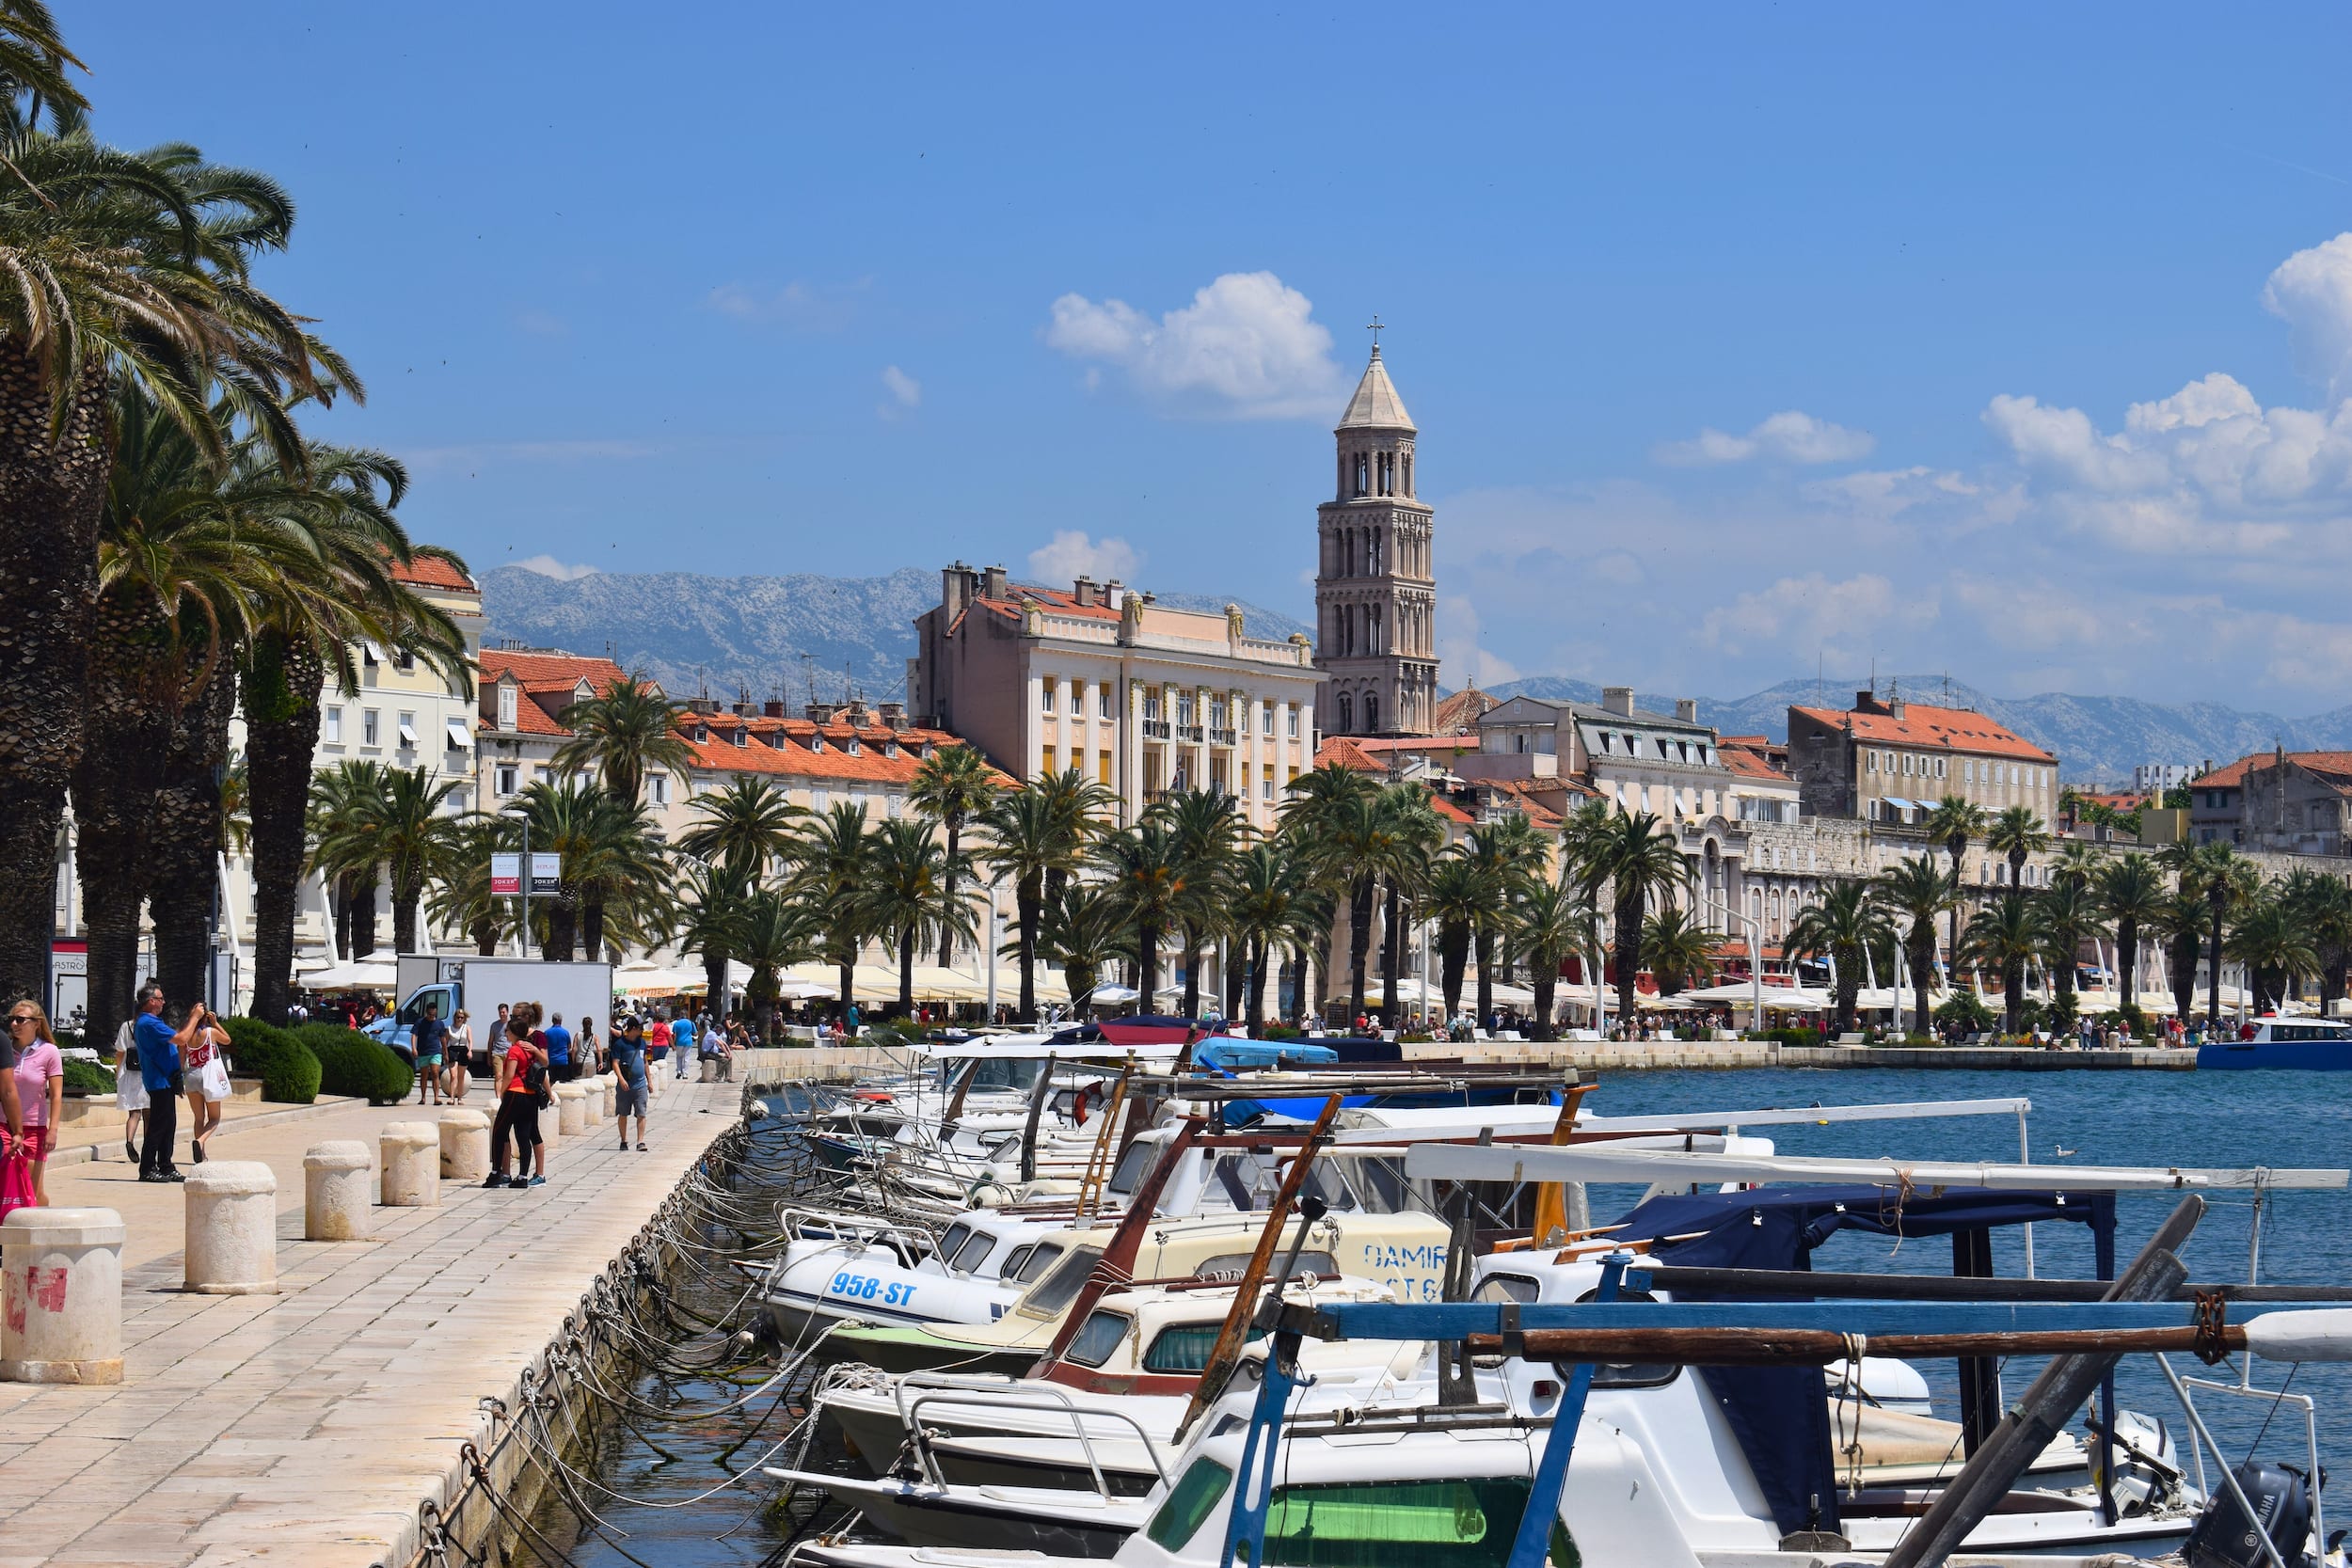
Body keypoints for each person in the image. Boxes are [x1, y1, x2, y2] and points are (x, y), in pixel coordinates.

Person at [133, 984, 207, 1182]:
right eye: (160, 999)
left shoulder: (153, 1021)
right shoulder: (148, 1023)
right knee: (158, 1125)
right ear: (151, 1001)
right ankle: (147, 1168)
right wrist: (195, 1017)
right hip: (158, 1080)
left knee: (168, 1125)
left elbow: (176, 1038)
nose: (163, 1002)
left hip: (166, 1079)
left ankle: (166, 1165)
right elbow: (181, 1039)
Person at [486, 1003, 548, 1189]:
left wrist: (502, 1092)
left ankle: (496, 1173)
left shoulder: (515, 1049)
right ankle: (522, 1176)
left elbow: (509, 1074)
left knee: (499, 1131)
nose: (505, 1034)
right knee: (523, 1136)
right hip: (529, 1095)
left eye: (507, 1031)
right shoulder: (527, 1049)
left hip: (515, 1093)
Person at [182, 1006, 232, 1163]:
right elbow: (227, 1039)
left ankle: (201, 1155)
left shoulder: (186, 1035)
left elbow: (181, 1059)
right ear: (206, 1018)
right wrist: (216, 1023)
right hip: (208, 1076)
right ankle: (200, 1141)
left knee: (198, 1118)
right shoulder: (211, 1032)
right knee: (214, 1118)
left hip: (191, 1076)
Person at [2, 999, 38, 1187]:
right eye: (12, 1019)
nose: (14, 1024)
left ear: (36, 1023)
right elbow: (8, 1091)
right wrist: (17, 1131)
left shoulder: (48, 1051)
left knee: (32, 1188)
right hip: (5, 1126)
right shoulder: (4, 1043)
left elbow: (8, 1091)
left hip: (34, 1126)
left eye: (20, 1019)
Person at [609, 1014, 650, 1151]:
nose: (642, 1030)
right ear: (633, 1029)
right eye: (640, 1028)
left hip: (640, 1085)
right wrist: (621, 1079)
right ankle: (623, 1140)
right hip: (625, 1085)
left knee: (641, 1113)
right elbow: (615, 1063)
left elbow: (645, 1062)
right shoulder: (620, 1044)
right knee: (623, 1113)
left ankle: (640, 1142)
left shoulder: (642, 1043)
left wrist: (649, 1081)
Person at [111, 1007, 146, 1164]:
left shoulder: (126, 1026)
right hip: (146, 1073)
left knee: (134, 1113)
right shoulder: (150, 1026)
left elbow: (119, 1051)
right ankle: (147, 1148)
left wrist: (118, 1070)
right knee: (148, 1114)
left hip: (130, 1072)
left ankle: (129, 1141)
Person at [412, 1001, 448, 1106]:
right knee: (424, 1075)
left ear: (436, 1012)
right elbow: (414, 1035)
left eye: (433, 1014)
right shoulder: (420, 1022)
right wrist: (414, 1048)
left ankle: (436, 1098)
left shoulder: (439, 1023)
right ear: (427, 1012)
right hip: (423, 1051)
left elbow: (443, 1039)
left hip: (435, 1051)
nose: (431, 1016)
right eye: (430, 1014)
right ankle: (423, 1097)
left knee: (435, 1073)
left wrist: (445, 1053)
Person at [444, 1009, 474, 1102]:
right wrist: (445, 1054)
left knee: (461, 1076)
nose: (460, 1019)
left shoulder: (467, 1028)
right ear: (455, 1018)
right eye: (458, 1017)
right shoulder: (449, 1028)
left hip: (463, 1050)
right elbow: (445, 1042)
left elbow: (470, 1040)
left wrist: (470, 1051)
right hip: (452, 1050)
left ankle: (460, 1098)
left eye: (462, 1018)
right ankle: (452, 1098)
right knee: (453, 1075)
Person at [544, 1011, 574, 1083]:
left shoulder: (546, 1033)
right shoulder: (565, 1032)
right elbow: (569, 1047)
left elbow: (544, 1047)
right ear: (561, 1021)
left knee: (552, 1083)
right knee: (562, 1084)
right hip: (563, 1061)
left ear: (552, 1020)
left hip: (551, 1061)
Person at [670, 1009, 696, 1079]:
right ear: (686, 1015)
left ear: (680, 1015)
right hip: (688, 1042)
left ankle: (679, 1071)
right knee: (686, 1058)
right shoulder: (691, 1023)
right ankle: (685, 1074)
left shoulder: (676, 1023)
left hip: (679, 1042)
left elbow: (674, 1035)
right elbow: (695, 1033)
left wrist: (673, 1044)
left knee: (679, 1057)